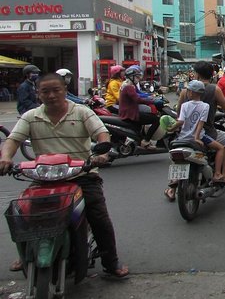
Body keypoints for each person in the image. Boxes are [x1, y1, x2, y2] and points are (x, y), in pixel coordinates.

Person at [0, 73, 129, 278]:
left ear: (64, 91)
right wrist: (5, 158)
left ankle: (110, 261)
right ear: (38, 94)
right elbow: (13, 140)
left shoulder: (82, 112)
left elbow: (102, 134)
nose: (51, 95)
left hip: (81, 174)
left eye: (56, 90)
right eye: (45, 91)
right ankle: (27, 251)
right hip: (44, 176)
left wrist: (102, 154)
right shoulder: (31, 116)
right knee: (25, 213)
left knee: (98, 216)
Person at [165, 61, 225, 200]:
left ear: (197, 74)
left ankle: (172, 185)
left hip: (184, 133)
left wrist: (172, 128)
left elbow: (179, 114)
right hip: (207, 132)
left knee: (177, 152)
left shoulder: (185, 92)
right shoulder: (214, 89)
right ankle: (222, 174)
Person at [170, 80, 225, 185]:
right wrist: (197, 137)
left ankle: (175, 178)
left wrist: (171, 128)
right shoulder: (205, 106)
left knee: (174, 151)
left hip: (183, 137)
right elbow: (201, 123)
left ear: (190, 92)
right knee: (220, 148)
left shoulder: (185, 105)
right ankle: (218, 174)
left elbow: (180, 122)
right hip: (200, 136)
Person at [118, 65, 162, 149]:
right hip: (130, 114)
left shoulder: (130, 85)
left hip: (130, 112)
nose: (138, 79)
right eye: (137, 77)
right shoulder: (128, 87)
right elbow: (137, 99)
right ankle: (146, 141)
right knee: (156, 120)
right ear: (131, 77)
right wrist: (153, 101)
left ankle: (140, 140)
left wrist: (150, 95)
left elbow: (140, 93)